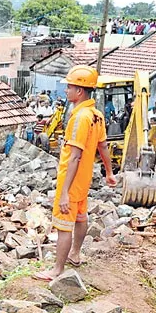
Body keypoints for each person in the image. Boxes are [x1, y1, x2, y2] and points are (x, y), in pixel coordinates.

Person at [36, 66, 116, 281]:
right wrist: (109, 172)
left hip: (70, 181)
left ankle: (57, 270)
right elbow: (103, 146)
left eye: (69, 87)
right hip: (84, 180)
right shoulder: (97, 115)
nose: (66, 91)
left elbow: (74, 156)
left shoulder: (79, 117)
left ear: (80, 91)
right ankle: (75, 254)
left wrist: (63, 192)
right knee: (81, 218)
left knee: (64, 226)